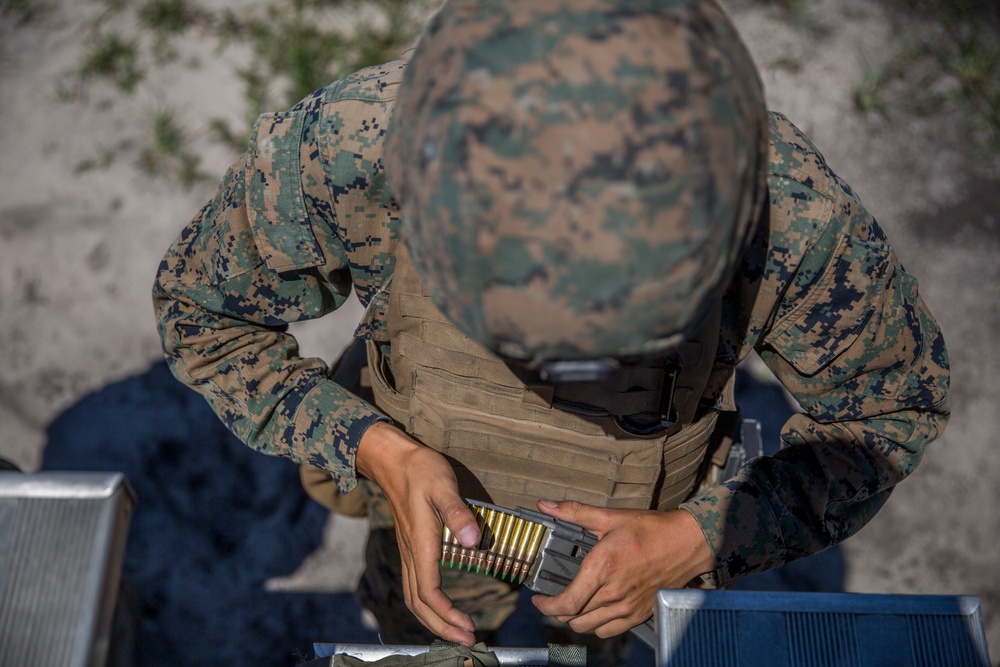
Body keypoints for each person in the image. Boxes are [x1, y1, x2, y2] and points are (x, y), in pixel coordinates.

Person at [153, 0, 950, 659]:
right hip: (436, 511)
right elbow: (204, 316)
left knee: (593, 649)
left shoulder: (789, 214)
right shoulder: (354, 149)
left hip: (631, 553)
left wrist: (699, 535)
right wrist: (375, 448)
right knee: (418, 628)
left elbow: (886, 412)